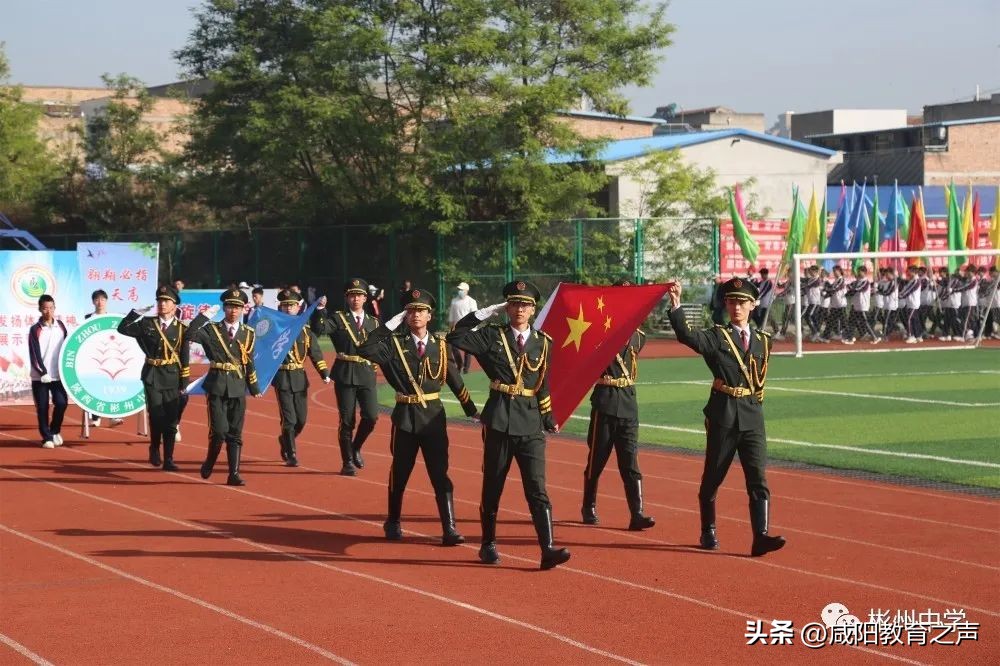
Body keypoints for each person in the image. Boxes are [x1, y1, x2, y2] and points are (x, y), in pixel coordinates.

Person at [447, 279, 570, 570]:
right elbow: (456, 336)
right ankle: (488, 542)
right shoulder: (492, 336)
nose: (519, 309)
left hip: (530, 423)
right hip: (500, 419)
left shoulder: (544, 342)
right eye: (514, 304)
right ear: (507, 307)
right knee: (493, 485)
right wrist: (486, 311)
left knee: (537, 489)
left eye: (525, 305)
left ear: (533, 310)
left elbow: (542, 384)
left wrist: (548, 415)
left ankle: (547, 548)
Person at [667, 278, 785, 558]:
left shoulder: (763, 341)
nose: (736, 307)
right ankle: (708, 529)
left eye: (742, 302)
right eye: (732, 302)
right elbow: (687, 336)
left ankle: (761, 536)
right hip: (724, 416)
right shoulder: (717, 337)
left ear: (754, 305)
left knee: (757, 478)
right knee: (713, 477)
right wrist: (676, 305)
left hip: (752, 415)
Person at [357, 287, 479, 544]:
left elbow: (455, 380)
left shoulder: (441, 346)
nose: (415, 315)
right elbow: (365, 349)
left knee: (440, 474)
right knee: (400, 472)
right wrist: (389, 325)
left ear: (429, 316)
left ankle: (450, 528)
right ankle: (393, 521)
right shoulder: (393, 345)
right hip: (405, 419)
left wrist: (471, 410)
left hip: (434, 419)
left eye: (420, 311)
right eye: (410, 311)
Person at [581, 279, 655, 530]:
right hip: (606, 401)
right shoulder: (597, 331)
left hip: (628, 403)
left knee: (630, 462)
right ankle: (588, 505)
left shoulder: (638, 336)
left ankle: (637, 513)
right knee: (597, 459)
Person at [187, 289, 262, 486]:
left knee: (235, 433)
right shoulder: (211, 330)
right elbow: (189, 335)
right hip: (217, 385)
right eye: (230, 306)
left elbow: (249, 361)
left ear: (243, 309)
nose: (233, 311)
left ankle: (234, 473)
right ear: (224, 307)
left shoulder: (249, 334)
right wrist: (203, 317)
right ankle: (210, 460)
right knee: (219, 431)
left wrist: (254, 386)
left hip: (238, 386)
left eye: (237, 307)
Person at [117, 285, 191, 470]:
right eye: (159, 301)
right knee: (157, 415)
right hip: (152, 375)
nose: (162, 304)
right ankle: (154, 447)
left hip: (173, 376)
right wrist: (135, 313)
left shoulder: (181, 328)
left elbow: (184, 356)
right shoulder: (147, 324)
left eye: (166, 301)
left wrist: (184, 381)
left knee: (171, 419)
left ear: (174, 305)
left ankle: (169, 459)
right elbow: (122, 329)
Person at [311, 278, 380, 475]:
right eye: (352, 295)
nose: (355, 298)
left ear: (365, 298)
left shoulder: (373, 322)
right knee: (347, 420)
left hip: (366, 373)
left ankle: (356, 447)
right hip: (345, 373)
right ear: (347, 298)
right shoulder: (338, 318)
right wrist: (320, 311)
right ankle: (347, 461)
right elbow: (320, 330)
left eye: (359, 295)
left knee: (372, 416)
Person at [272, 289, 330, 466]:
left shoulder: (305, 331)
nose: (289, 309)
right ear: (280, 307)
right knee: (289, 419)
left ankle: (285, 440)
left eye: (292, 305)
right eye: (285, 305)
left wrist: (324, 373)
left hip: (299, 377)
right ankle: (291, 453)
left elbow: (316, 354)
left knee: (301, 420)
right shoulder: (274, 330)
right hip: (282, 377)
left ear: (299, 308)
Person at [28, 295, 68, 449]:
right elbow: (34, 353)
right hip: (40, 377)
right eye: (45, 308)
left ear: (54, 308)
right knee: (43, 407)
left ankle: (54, 430)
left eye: (51, 308)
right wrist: (42, 372)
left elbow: (67, 348)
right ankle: (46, 438)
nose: (48, 311)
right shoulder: (35, 329)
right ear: (40, 309)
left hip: (58, 375)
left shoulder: (61, 326)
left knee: (62, 403)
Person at [85, 289, 123, 427]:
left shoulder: (112, 319)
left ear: (106, 301)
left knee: (112, 387)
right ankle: (95, 416)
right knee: (95, 388)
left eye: (102, 299)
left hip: (110, 358)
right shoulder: (87, 318)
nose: (99, 302)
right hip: (92, 359)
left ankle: (114, 416)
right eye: (97, 299)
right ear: (93, 302)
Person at [447, 281, 478, 373]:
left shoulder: (471, 301)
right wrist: (451, 327)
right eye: (459, 289)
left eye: (461, 290)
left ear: (466, 290)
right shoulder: (454, 301)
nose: (459, 291)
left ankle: (466, 368)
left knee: (467, 349)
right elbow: (452, 316)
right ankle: (459, 365)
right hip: (457, 328)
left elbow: (475, 315)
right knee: (454, 347)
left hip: (468, 328)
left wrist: (473, 328)